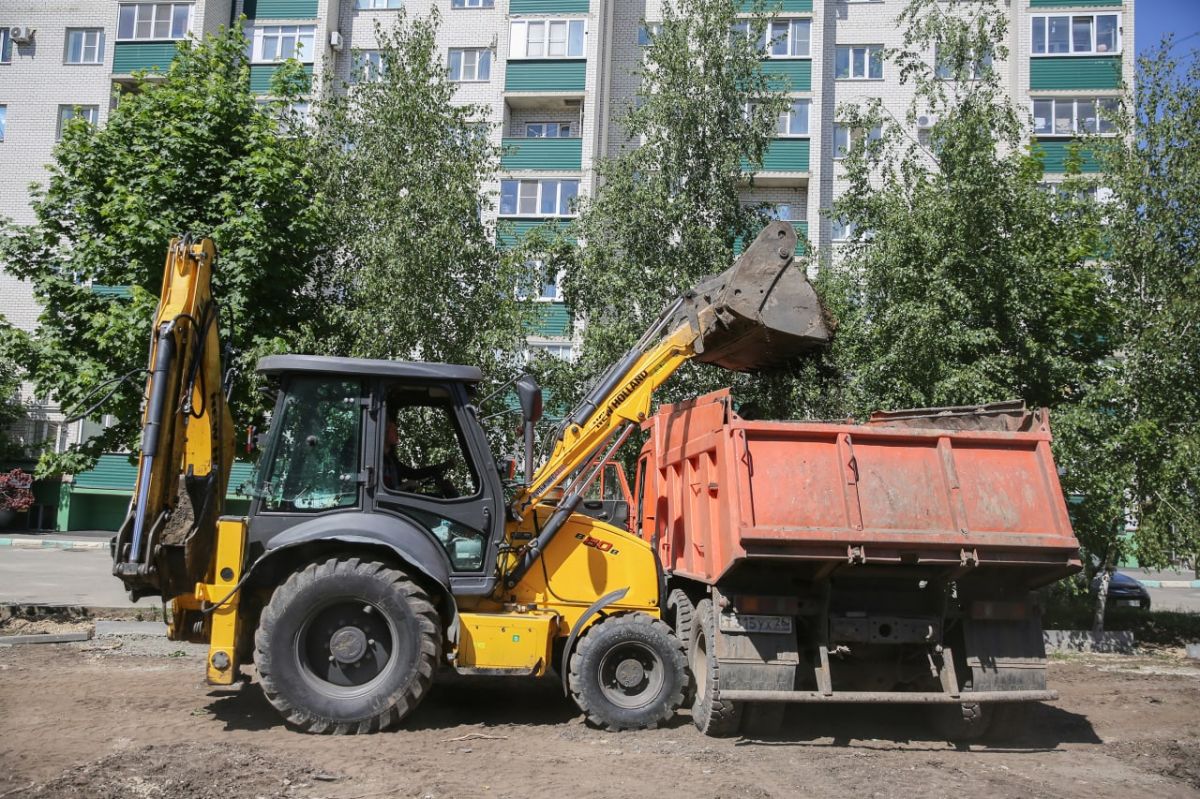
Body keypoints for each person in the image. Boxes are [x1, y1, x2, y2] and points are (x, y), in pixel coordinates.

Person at [382, 420, 459, 497]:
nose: (397, 434)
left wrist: (441, 466)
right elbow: (382, 493)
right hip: (393, 503)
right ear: (385, 431)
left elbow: (414, 474)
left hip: (399, 498)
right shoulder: (378, 460)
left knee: (437, 498)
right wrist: (403, 486)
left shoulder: (392, 461)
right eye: (394, 430)